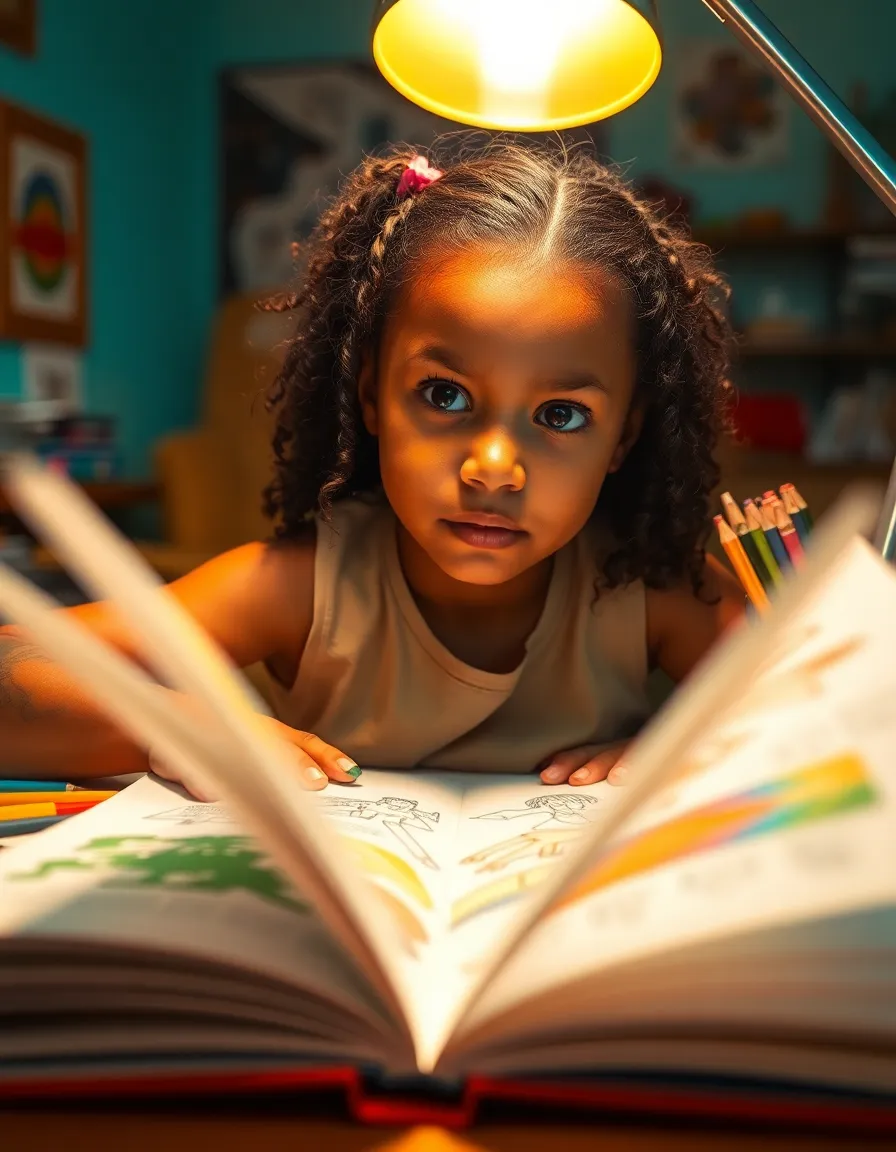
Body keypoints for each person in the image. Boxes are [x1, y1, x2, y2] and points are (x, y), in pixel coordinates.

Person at [0, 138, 744, 797]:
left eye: (561, 415)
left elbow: (832, 704)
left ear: (622, 437)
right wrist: (168, 720)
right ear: (372, 400)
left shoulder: (652, 592)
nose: (493, 470)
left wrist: (692, 748)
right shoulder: (300, 589)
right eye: (444, 395)